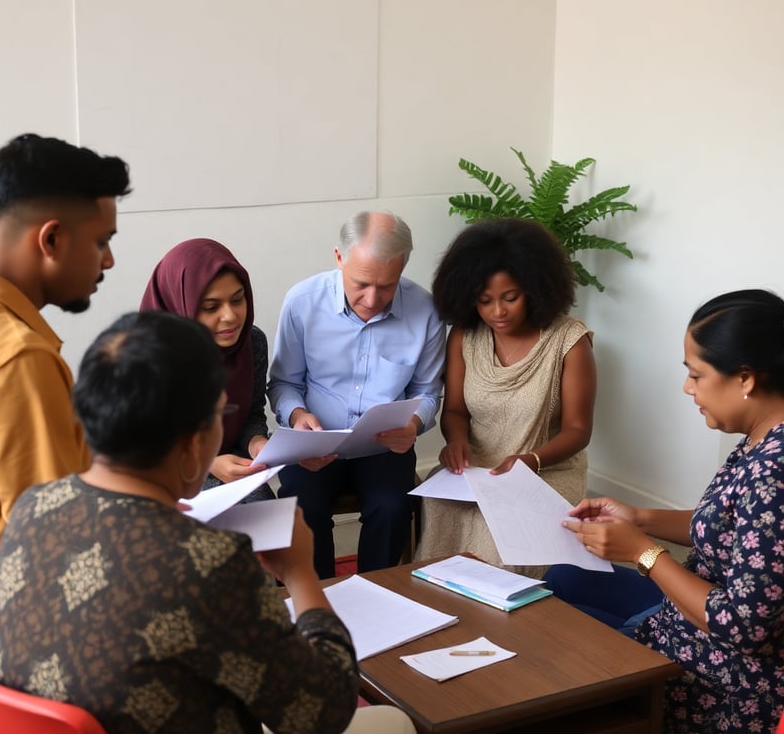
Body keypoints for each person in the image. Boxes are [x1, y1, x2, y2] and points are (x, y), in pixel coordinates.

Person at [0, 311, 416, 734]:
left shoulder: (32, 508)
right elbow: (323, 713)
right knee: (396, 723)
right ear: (194, 443)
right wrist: (300, 573)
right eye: (218, 416)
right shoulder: (208, 559)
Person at [546, 289, 784, 734]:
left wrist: (645, 553)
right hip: (698, 624)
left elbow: (744, 628)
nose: (688, 388)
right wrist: (638, 519)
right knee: (563, 578)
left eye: (696, 375)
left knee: (550, 665)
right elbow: (739, 527)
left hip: (732, 680)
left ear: (745, 378)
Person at [0, 133, 130, 676]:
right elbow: (66, 552)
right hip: (27, 645)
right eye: (101, 240)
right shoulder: (14, 361)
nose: (109, 259)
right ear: (51, 240)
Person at [268, 211, 446, 579]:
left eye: (387, 286)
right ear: (339, 257)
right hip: (314, 446)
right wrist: (298, 416)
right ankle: (319, 600)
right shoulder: (302, 302)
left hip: (384, 447)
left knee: (393, 507)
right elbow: (283, 383)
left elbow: (428, 391)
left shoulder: (425, 310)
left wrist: (413, 423)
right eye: (361, 283)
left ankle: (378, 595)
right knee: (300, 508)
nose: (372, 298)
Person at [415, 218, 596, 576]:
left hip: (547, 468)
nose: (497, 312)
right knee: (440, 505)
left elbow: (578, 430)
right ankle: (441, 604)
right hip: (477, 466)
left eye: (510, 298)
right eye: (484, 301)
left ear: (535, 288)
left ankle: (503, 615)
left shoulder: (570, 341)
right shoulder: (464, 336)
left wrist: (530, 460)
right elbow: (454, 410)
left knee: (498, 526)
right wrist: (456, 441)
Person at [140, 238, 274, 501]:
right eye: (211, 307)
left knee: (273, 522)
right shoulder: (143, 359)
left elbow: (251, 414)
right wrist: (208, 464)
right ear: (180, 305)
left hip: (233, 467)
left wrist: (256, 442)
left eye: (238, 300)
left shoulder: (251, 343)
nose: (230, 316)